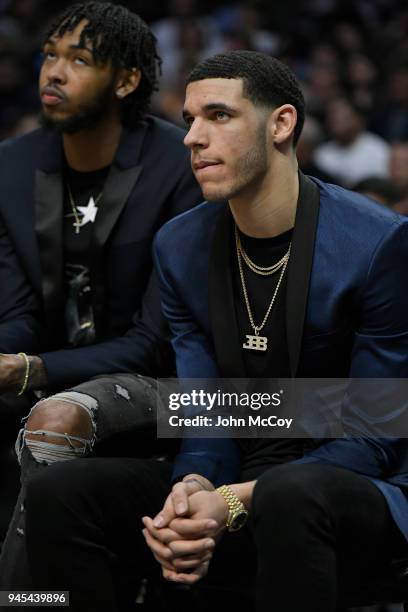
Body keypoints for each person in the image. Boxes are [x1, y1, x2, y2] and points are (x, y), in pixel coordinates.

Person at [23, 51, 408, 612]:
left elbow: (377, 433)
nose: (193, 138)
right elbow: (207, 404)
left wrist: (234, 500)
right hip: (241, 468)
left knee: (289, 492)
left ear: (281, 124)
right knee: (63, 493)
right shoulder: (178, 246)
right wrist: (196, 488)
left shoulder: (377, 244)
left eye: (219, 116)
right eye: (189, 120)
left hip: (357, 483)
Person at [0, 1, 202, 589]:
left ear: (126, 80)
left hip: (162, 383)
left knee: (51, 419)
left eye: (78, 60)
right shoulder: (12, 167)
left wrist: (29, 369)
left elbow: (151, 341)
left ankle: (25, 600)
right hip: (48, 368)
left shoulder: (178, 167)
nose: (53, 73)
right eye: (50, 55)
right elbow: (17, 312)